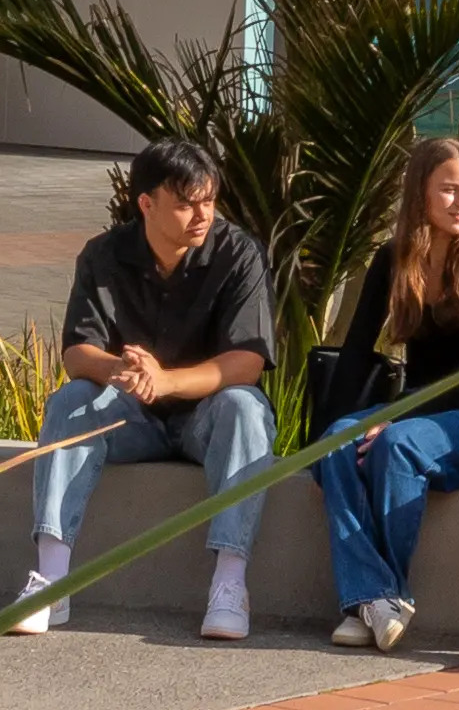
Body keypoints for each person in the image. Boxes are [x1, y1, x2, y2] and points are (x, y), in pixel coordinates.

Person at [19, 135, 277, 641]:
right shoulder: (103, 255)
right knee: (71, 401)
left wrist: (167, 380)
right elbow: (77, 352)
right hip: (131, 416)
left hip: (207, 421)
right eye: (185, 204)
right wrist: (123, 371)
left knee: (246, 408)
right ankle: (51, 580)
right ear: (147, 203)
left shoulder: (238, 253)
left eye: (209, 200)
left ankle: (229, 585)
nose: (201, 215)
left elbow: (246, 362)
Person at [312, 135, 459, 656]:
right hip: (413, 410)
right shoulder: (393, 259)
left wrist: (392, 419)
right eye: (449, 190)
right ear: (420, 196)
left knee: (396, 444)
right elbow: (357, 351)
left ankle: (376, 597)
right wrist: (324, 437)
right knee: (337, 442)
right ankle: (376, 599)